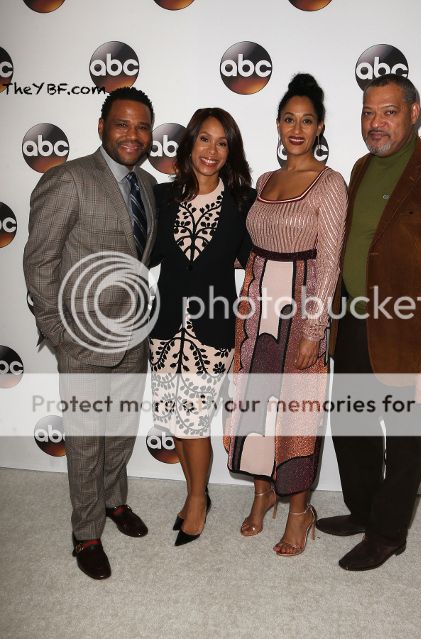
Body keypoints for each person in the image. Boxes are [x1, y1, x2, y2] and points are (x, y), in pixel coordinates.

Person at [316, 74, 421, 570]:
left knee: (406, 443)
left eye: (388, 112)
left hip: (413, 336)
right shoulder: (361, 167)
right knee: (352, 428)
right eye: (368, 112)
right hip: (354, 323)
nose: (376, 123)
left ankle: (388, 535)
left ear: (414, 112)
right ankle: (365, 512)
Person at [23, 87, 157, 579]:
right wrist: (57, 331)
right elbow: (39, 261)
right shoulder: (68, 179)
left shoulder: (147, 184)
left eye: (142, 126)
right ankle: (85, 533)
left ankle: (113, 501)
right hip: (80, 337)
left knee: (120, 429)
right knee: (84, 440)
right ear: (102, 126)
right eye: (122, 124)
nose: (133, 135)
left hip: (133, 332)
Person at [225, 74, 348, 556]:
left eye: (307, 120)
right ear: (278, 124)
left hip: (301, 312)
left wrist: (314, 329)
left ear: (320, 127)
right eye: (289, 119)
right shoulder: (264, 181)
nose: (297, 129)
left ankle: (299, 511)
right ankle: (262, 494)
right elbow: (253, 251)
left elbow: (330, 261)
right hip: (256, 311)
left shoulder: (330, 184)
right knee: (254, 404)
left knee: (298, 411)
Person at [150, 108, 255, 546]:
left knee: (193, 422)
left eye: (222, 142)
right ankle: (195, 493)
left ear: (231, 151)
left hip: (211, 328)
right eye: (204, 139)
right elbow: (148, 253)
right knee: (174, 420)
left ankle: (197, 501)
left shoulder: (243, 202)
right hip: (164, 326)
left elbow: (255, 262)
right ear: (190, 143)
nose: (211, 150)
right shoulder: (161, 196)